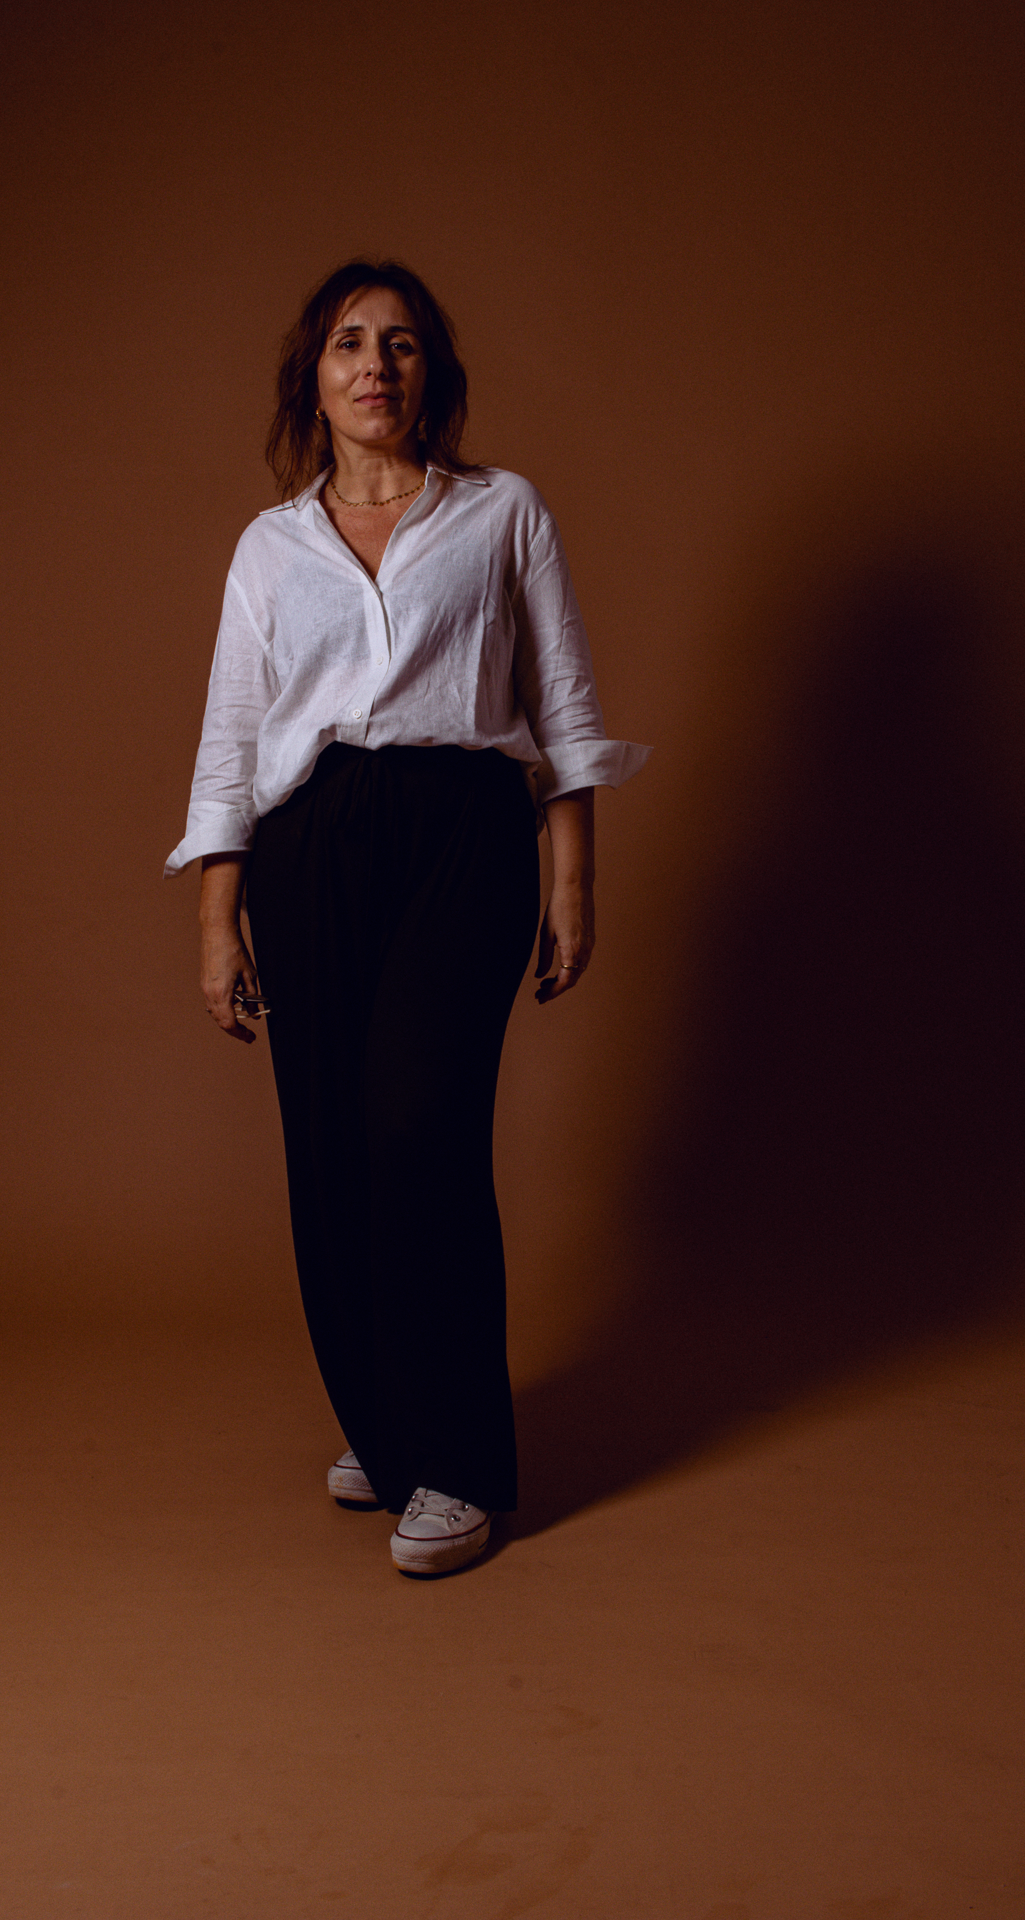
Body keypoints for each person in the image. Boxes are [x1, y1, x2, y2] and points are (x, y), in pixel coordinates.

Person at [165, 259, 647, 1576]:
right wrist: (217, 919)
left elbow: (562, 698)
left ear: (434, 374)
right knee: (329, 1142)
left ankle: (460, 1462)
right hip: (311, 845)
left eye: (402, 343)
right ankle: (387, 1423)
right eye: (348, 343)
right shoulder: (270, 547)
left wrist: (573, 879)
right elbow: (232, 738)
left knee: (416, 1126)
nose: (375, 364)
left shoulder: (503, 513)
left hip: (461, 837)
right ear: (313, 381)